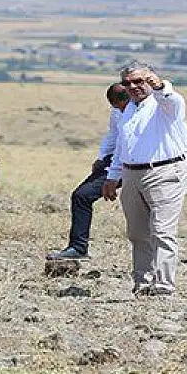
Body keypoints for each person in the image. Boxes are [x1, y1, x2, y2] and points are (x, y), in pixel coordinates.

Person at [102, 61, 187, 297]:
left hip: (165, 172)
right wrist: (113, 175)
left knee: (161, 230)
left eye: (139, 81)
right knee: (138, 232)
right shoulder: (128, 109)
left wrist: (160, 85)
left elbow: (172, 100)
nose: (133, 87)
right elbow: (123, 145)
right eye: (127, 83)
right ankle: (143, 284)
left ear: (151, 79)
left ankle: (163, 287)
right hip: (132, 173)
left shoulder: (164, 103)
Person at [47, 83, 130, 260]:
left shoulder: (148, 108)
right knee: (81, 195)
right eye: (115, 105)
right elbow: (114, 135)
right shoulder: (118, 111)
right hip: (115, 161)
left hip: (141, 164)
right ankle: (78, 248)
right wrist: (102, 157)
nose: (119, 108)